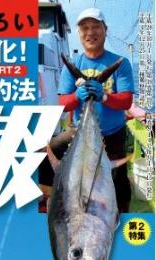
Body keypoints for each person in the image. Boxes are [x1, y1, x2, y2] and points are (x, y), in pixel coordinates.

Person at [38, 8, 134, 213]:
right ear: (79, 33)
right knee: (44, 155)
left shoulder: (121, 63)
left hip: (113, 134)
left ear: (105, 30)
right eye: (85, 28)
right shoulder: (71, 66)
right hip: (78, 131)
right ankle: (50, 202)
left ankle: (121, 216)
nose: (90, 32)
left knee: (119, 183)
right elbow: (64, 103)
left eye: (95, 27)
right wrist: (77, 96)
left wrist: (104, 96)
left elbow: (126, 102)